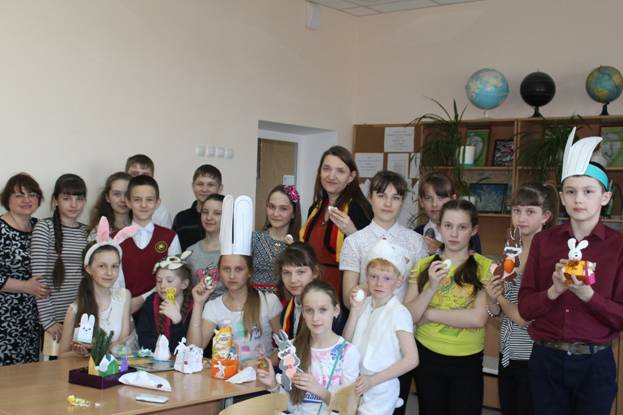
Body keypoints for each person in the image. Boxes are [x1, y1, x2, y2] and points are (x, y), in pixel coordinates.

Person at [518, 130, 623, 415]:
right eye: (571, 191)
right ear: (562, 198)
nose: (579, 199)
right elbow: (525, 308)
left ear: (605, 197)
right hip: (546, 360)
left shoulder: (618, 247)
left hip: (595, 364)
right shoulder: (544, 241)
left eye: (588, 191)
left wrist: (588, 295)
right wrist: (554, 291)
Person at [404, 199, 492, 415]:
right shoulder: (424, 266)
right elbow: (409, 316)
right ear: (439, 227)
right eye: (448, 225)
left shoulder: (485, 267)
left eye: (462, 227)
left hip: (468, 358)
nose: (454, 233)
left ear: (474, 230)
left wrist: (429, 314)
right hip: (427, 355)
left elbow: (478, 318)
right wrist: (431, 288)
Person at [484, 183, 558, 415]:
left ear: (545, 216)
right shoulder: (510, 251)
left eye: (530, 211)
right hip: (508, 353)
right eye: (517, 210)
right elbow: (498, 313)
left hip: (535, 355)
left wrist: (499, 298)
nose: (521, 218)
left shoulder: (549, 257)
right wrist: (492, 298)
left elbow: (524, 317)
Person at [187, 195, 282, 366]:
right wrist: (198, 304)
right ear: (219, 271)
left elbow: (284, 348)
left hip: (262, 377)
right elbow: (193, 350)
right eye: (226, 269)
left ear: (249, 272)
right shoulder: (213, 307)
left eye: (239, 269)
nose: (231, 276)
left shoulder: (268, 301)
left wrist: (261, 364)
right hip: (227, 377)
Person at [256, 280, 361, 415]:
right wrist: (273, 385)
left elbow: (348, 409)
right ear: (303, 313)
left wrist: (320, 391)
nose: (315, 318)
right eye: (309, 310)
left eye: (322, 310)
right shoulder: (291, 348)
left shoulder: (348, 353)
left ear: (335, 311)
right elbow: (290, 406)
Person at [343, 239, 419, 415]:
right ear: (366, 277)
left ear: (399, 281)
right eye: (373, 276)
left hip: (381, 388)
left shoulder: (399, 313)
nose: (379, 283)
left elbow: (412, 359)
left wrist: (372, 380)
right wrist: (354, 311)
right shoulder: (363, 304)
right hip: (354, 383)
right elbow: (345, 344)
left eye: (387, 278)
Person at [341, 170, 427, 306]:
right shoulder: (354, 242)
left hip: (403, 317)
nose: (388, 203)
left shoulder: (416, 241)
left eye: (395, 198)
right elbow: (347, 300)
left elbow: (421, 293)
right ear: (370, 198)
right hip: (366, 316)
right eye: (381, 196)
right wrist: (373, 283)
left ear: (402, 201)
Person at [300, 146, 372, 303]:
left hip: (342, 291)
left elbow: (374, 255)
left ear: (351, 177)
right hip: (313, 288)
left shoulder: (359, 208)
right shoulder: (316, 208)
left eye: (340, 171)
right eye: (326, 169)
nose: (331, 176)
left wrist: (353, 232)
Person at [58, 218, 134, 357]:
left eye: (114, 266)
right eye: (102, 266)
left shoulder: (124, 296)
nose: (109, 273)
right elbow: (62, 355)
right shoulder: (74, 309)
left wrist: (97, 348)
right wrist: (80, 352)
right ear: (88, 269)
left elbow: (123, 341)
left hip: (116, 367)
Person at [32, 174, 88, 355]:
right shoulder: (44, 228)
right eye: (66, 198)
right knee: (53, 370)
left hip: (81, 319)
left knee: (79, 369)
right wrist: (48, 321)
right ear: (56, 200)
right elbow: (38, 280)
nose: (73, 204)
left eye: (79, 199)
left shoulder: (87, 232)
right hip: (54, 321)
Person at [117, 175, 181, 316]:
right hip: (123, 310)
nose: (144, 205)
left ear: (157, 203)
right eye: (137, 200)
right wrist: (125, 304)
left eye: (149, 200)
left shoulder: (170, 237)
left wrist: (142, 299)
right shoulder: (115, 238)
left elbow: (174, 278)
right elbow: (114, 280)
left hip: (160, 311)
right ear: (128, 202)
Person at [0, 173, 46, 365]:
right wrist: (26, 286)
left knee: (28, 374)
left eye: (32, 195)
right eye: (19, 195)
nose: (27, 200)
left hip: (33, 317)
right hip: (5, 317)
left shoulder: (41, 227)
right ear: (7, 199)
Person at [137, 252, 194, 354]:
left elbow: (186, 348)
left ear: (184, 284)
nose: (162, 286)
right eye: (159, 281)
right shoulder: (151, 302)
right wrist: (163, 349)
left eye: (169, 281)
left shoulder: (194, 306)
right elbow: (143, 340)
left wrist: (177, 322)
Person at [252, 184, 301, 296]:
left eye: (283, 209)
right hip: (255, 300)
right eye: (272, 207)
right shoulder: (254, 238)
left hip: (287, 302)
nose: (275, 214)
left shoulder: (299, 244)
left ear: (293, 213)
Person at [415, 172, 481, 254]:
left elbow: (476, 260)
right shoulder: (416, 233)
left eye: (441, 198)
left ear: (453, 199)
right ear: (421, 202)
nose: (434, 204)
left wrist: (441, 248)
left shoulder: (466, 232)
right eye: (428, 198)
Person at [275, 242, 321, 338]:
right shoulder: (287, 310)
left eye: (300, 272)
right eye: (286, 272)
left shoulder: (325, 308)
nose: (293, 280)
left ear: (315, 272)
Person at [173, 164, 223, 250]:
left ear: (220, 188)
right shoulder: (181, 218)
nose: (204, 189)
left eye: (210, 185)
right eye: (200, 184)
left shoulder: (228, 218)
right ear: (193, 186)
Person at [186, 194, 225, 293]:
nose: (209, 217)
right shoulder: (190, 252)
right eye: (205, 212)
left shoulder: (235, 251)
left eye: (217, 213)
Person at [125, 154, 172, 228]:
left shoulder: (161, 212)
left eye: (145, 175)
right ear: (125, 175)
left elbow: (166, 234)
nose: (139, 178)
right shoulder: (116, 205)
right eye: (134, 174)